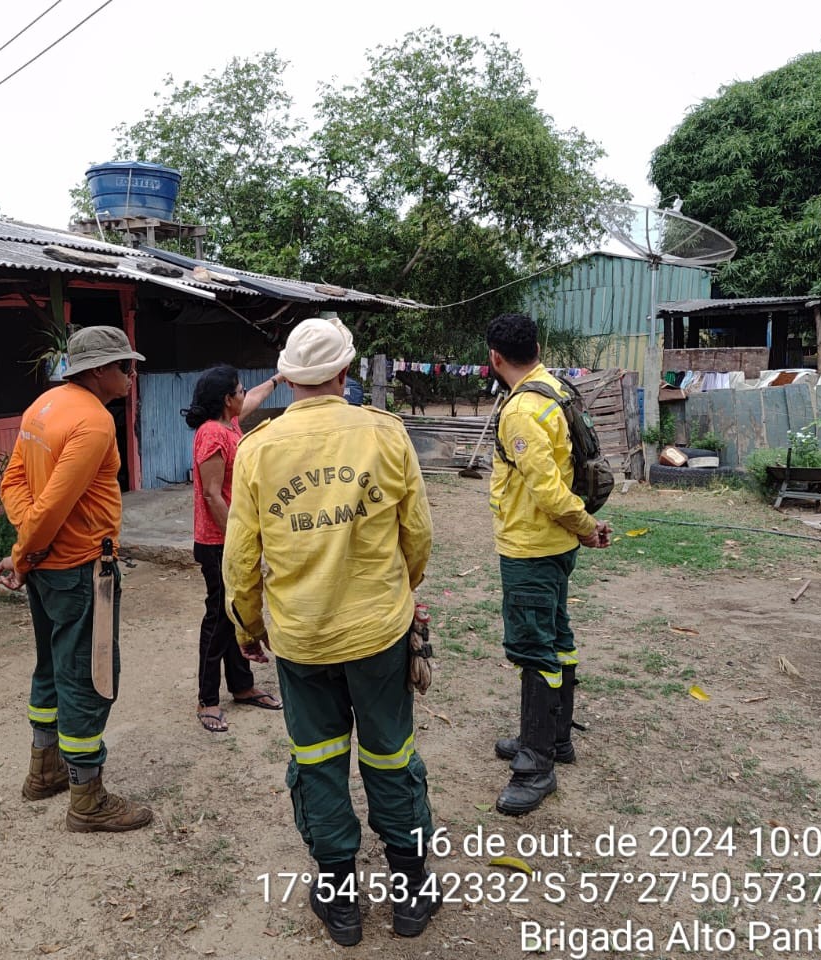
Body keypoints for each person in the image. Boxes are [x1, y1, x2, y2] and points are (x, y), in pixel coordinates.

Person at [222, 317, 437, 946]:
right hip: (377, 632)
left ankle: (341, 906)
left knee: (317, 761)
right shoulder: (386, 434)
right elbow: (416, 536)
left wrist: (249, 623)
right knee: (391, 754)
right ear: (344, 374)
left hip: (301, 639)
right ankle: (410, 895)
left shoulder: (257, 448)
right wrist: (399, 593)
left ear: (288, 379)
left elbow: (240, 559)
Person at [0, 325, 153, 834]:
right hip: (82, 568)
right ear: (100, 371)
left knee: (51, 666)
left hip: (48, 567)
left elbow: (13, 484)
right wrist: (23, 552)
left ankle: (45, 771)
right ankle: (88, 798)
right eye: (125, 365)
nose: (132, 373)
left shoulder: (43, 406)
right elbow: (53, 506)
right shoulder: (95, 422)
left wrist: (27, 546)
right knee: (89, 676)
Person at [485, 313, 611, 817]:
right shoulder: (557, 389)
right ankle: (554, 738)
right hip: (556, 546)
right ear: (537, 346)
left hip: (533, 548)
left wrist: (584, 524)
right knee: (557, 636)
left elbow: (547, 491)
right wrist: (582, 528)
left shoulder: (522, 411)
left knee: (535, 649)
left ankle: (536, 765)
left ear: (495, 357)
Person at [182, 366, 285, 733]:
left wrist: (278, 379)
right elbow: (211, 494)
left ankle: (241, 687)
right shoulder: (212, 434)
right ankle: (207, 699)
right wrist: (238, 540)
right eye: (239, 391)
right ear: (228, 399)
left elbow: (254, 398)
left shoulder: (230, 424)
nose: (245, 395)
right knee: (219, 616)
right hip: (216, 542)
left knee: (234, 612)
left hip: (228, 541)